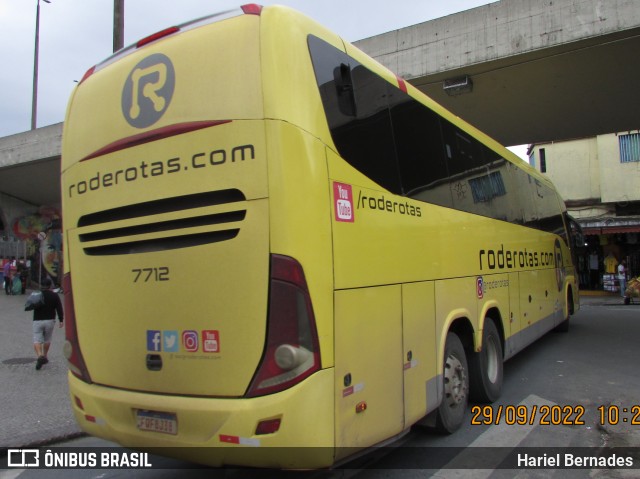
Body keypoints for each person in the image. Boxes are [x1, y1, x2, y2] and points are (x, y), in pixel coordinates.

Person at [32, 278, 64, 370]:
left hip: (37, 320)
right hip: (50, 320)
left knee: (37, 339)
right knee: (47, 339)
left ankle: (39, 356)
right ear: (50, 286)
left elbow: (30, 304)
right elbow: (59, 308)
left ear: (41, 285)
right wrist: (61, 319)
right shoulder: (54, 296)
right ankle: (45, 356)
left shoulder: (37, 294)